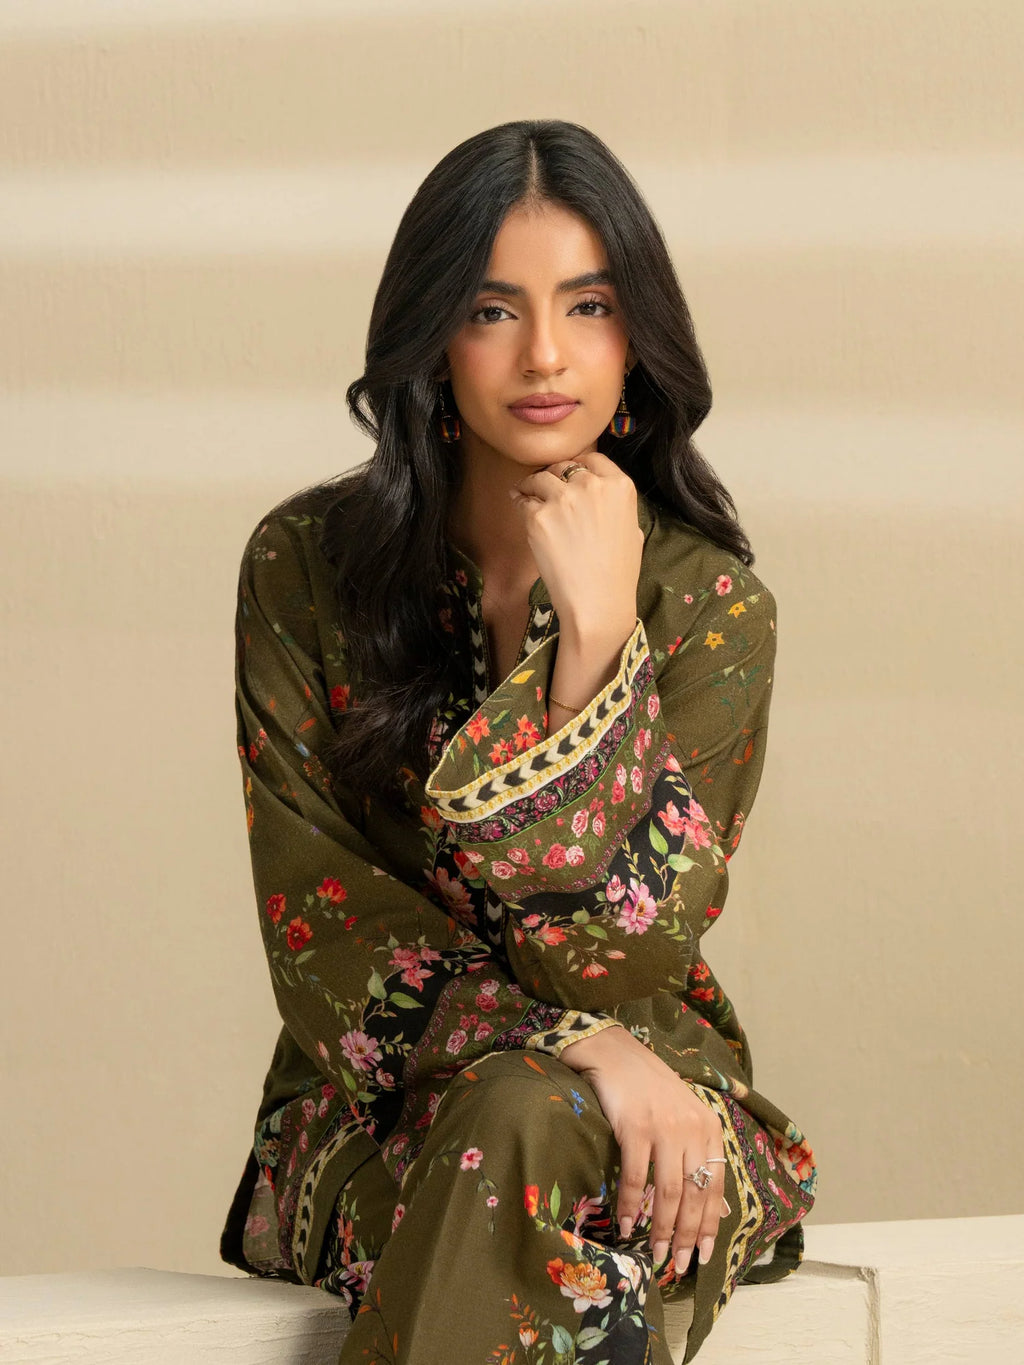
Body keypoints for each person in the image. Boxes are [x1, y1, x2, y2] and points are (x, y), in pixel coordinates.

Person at [220, 119, 816, 1364]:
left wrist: (595, 646)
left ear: (636, 334)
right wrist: (568, 1046)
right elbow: (321, 928)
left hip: (658, 1118)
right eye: (493, 310)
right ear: (432, 335)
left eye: (588, 305)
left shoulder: (707, 609)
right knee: (536, 1174)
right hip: (381, 1096)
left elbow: (625, 957)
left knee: (537, 1160)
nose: (545, 355)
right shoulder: (304, 573)